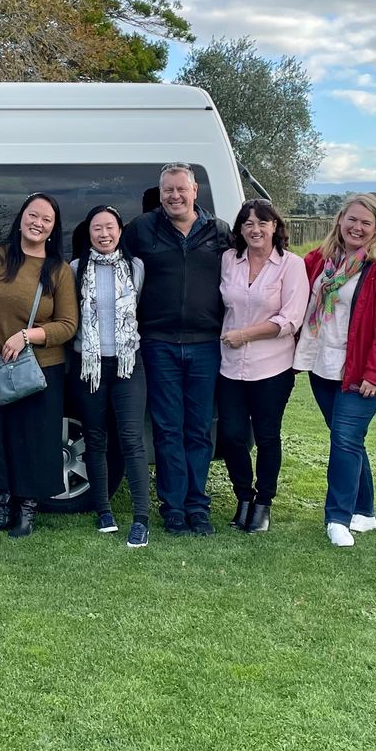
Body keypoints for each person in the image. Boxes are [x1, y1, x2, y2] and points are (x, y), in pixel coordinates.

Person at [123, 162, 233, 536]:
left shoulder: (218, 231)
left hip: (206, 344)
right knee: (168, 429)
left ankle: (197, 507)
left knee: (199, 429)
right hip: (158, 343)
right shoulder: (141, 230)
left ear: (195, 191)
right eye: (168, 189)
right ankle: (172, 508)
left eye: (181, 189)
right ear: (160, 193)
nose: (174, 196)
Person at [295, 194, 376, 546]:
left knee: (344, 438)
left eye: (365, 223)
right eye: (352, 220)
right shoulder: (320, 260)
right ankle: (365, 511)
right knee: (349, 439)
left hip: (362, 370)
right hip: (322, 363)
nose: (357, 228)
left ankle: (337, 518)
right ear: (340, 220)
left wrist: (375, 372)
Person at [0, 193, 79, 540]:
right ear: (21, 217)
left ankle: (26, 514)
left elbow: (68, 324)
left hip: (40, 369)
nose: (38, 223)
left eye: (47, 220)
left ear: (53, 228)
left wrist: (29, 335)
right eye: (33, 215)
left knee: (32, 441)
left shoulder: (57, 270)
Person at [216, 199, 308, 533]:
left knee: (267, 436)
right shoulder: (229, 260)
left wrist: (244, 335)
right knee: (232, 436)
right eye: (248, 223)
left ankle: (263, 503)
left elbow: (291, 319)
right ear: (240, 230)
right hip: (230, 366)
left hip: (272, 367)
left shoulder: (290, 265)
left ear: (275, 227)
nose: (255, 229)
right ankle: (243, 497)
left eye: (262, 223)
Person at [72, 204, 151, 548]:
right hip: (89, 365)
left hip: (127, 364)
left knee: (132, 439)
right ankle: (103, 511)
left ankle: (141, 518)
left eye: (110, 228)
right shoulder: (76, 268)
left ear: (120, 231)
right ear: (88, 234)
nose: (104, 234)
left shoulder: (136, 267)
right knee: (95, 438)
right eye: (96, 229)